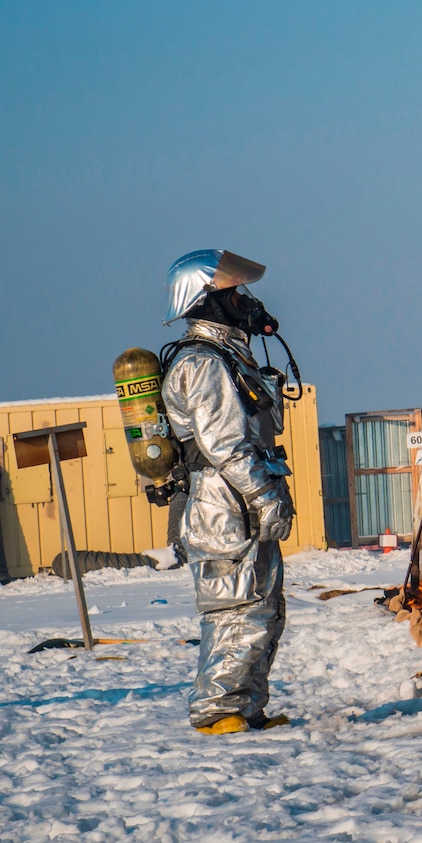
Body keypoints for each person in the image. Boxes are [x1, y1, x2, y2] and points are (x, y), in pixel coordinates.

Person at [160, 249, 295, 734]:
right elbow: (228, 444)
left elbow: (258, 430)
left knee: (262, 610)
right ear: (208, 301)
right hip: (224, 508)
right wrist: (264, 496)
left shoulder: (227, 357)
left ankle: (245, 707)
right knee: (235, 612)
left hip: (238, 505)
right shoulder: (202, 363)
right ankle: (217, 712)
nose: (247, 300)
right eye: (235, 292)